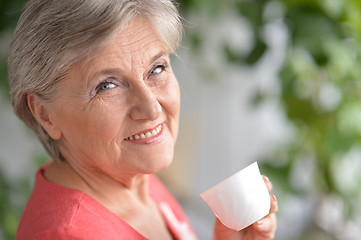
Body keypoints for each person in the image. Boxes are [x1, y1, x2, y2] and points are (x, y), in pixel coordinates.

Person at [8, 0, 278, 239]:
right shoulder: (66, 235)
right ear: (45, 114)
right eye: (106, 86)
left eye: (157, 68)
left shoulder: (134, 178)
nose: (151, 109)